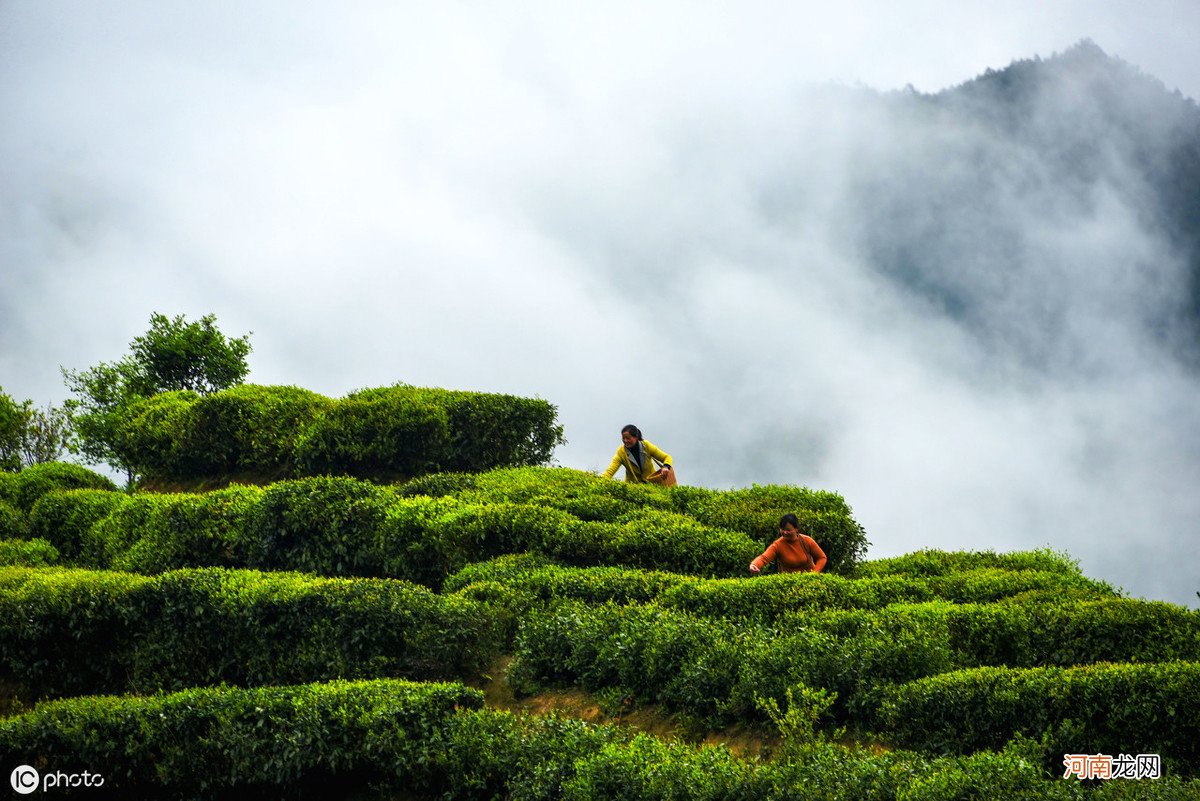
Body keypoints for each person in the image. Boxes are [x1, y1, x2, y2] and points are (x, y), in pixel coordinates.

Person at [749, 513, 827, 574]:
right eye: (782, 529)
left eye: (788, 530)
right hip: (789, 584)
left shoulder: (806, 541)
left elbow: (822, 558)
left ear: (796, 529)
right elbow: (764, 558)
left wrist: (814, 574)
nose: (785, 532)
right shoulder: (778, 545)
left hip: (809, 582)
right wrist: (754, 565)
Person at [602, 424, 674, 484]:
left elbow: (667, 457)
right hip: (632, 487)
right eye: (623, 438)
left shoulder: (646, 446)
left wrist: (665, 467)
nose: (625, 441)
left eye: (628, 438)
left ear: (636, 437)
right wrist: (599, 481)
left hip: (652, 484)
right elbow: (610, 471)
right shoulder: (621, 452)